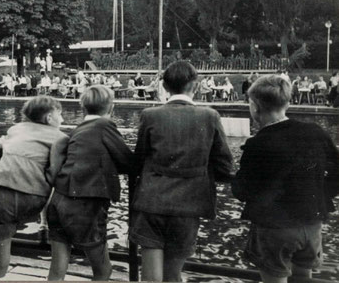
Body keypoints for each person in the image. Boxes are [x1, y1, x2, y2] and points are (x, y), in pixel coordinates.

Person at [130, 61, 233, 282]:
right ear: (194, 86)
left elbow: (138, 158)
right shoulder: (210, 116)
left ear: (165, 87)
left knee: (150, 274)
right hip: (189, 202)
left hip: (152, 200)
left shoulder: (150, 115)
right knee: (173, 272)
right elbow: (224, 163)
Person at [232, 75, 339, 283]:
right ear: (288, 103)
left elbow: (242, 191)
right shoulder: (315, 132)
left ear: (254, 107)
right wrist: (320, 193)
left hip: (275, 227)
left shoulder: (257, 144)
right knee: (302, 278)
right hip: (311, 222)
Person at [47, 85, 135, 281]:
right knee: (103, 271)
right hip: (86, 204)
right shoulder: (105, 126)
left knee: (58, 266)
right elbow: (128, 161)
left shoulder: (77, 130)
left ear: (83, 109)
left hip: (58, 199)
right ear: (111, 108)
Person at [0, 96, 67, 278]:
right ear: (50, 117)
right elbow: (54, 173)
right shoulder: (61, 137)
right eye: (60, 115)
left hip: (1, 191)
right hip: (34, 195)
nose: (63, 119)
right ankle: (44, 227)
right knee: (60, 237)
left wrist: (7, 144)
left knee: (0, 251)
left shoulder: (16, 129)